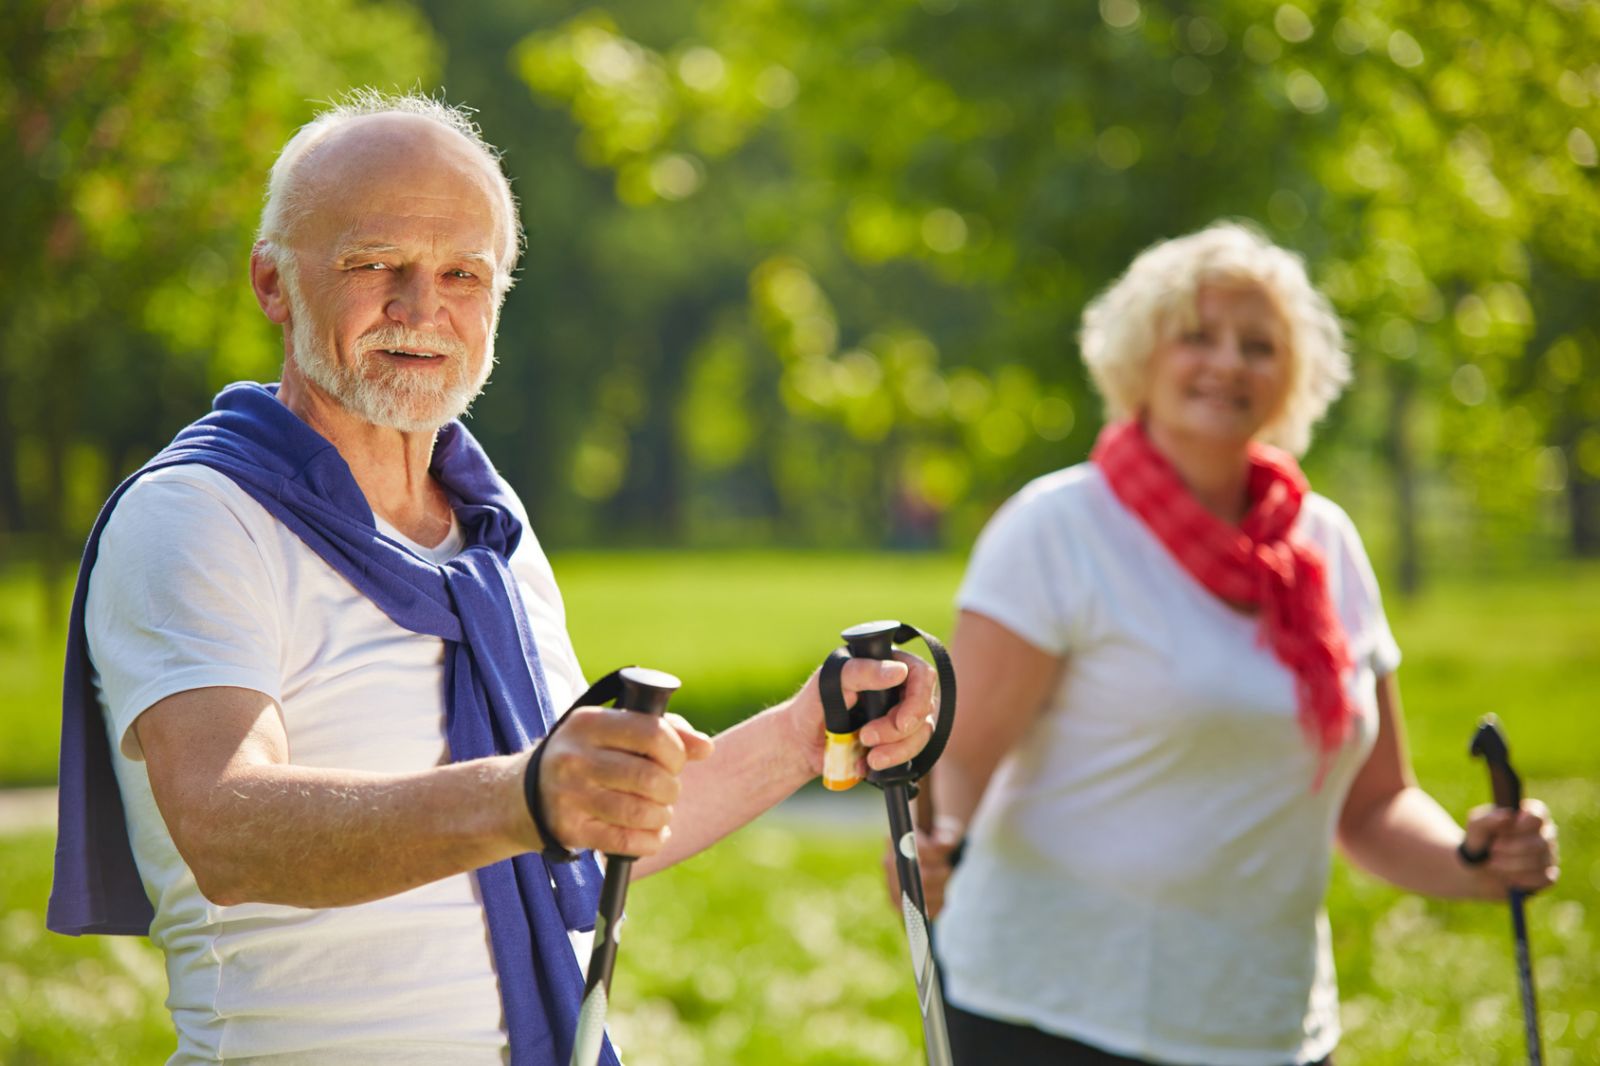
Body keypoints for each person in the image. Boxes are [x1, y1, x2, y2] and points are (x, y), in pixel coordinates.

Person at [48, 90, 938, 1066]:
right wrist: (526, 795)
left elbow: (584, 825)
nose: (420, 308)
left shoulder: (489, 531)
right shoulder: (199, 513)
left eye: (462, 274)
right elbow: (225, 826)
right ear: (273, 283)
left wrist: (814, 729)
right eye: (372, 263)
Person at [911, 223, 1560, 1065]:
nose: (1228, 363)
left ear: (1292, 378)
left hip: (1265, 1021)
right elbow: (961, 759)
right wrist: (933, 844)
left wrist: (1475, 860)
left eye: (1259, 346)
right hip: (1051, 1008)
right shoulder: (1058, 528)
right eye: (1197, 336)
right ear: (1141, 358)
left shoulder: (1325, 545)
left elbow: (1371, 806)